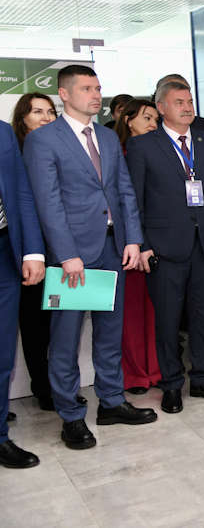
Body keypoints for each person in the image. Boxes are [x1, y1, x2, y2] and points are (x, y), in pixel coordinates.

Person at [23, 65, 156, 451]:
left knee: (110, 332)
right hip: (74, 256)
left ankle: (111, 402)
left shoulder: (109, 137)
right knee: (65, 339)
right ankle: (70, 415)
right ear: (64, 94)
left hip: (115, 248)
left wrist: (133, 239)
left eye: (97, 88)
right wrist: (67, 255)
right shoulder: (44, 140)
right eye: (86, 89)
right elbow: (47, 203)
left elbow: (125, 190)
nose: (96, 95)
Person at [126, 80, 204, 413]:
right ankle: (171, 384)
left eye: (189, 101)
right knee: (168, 320)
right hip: (163, 248)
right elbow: (134, 200)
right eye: (179, 102)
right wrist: (142, 244)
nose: (187, 107)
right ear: (161, 107)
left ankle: (203, 378)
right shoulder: (143, 145)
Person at [11, 94, 66, 414]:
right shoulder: (15, 153)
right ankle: (42, 387)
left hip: (62, 251)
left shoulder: (62, 149)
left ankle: (61, 386)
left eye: (50, 111)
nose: (46, 117)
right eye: (37, 112)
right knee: (35, 326)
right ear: (23, 119)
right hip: (28, 254)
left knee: (62, 324)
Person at [0, 117, 46, 468]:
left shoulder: (2, 132)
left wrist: (33, 251)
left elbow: (21, 194)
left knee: (2, 352)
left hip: (5, 251)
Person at [113, 99, 163, 394]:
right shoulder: (116, 152)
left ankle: (155, 369)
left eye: (156, 119)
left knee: (154, 309)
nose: (153, 124)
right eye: (147, 118)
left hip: (157, 242)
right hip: (128, 243)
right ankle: (134, 374)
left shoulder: (160, 151)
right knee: (130, 312)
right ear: (128, 120)